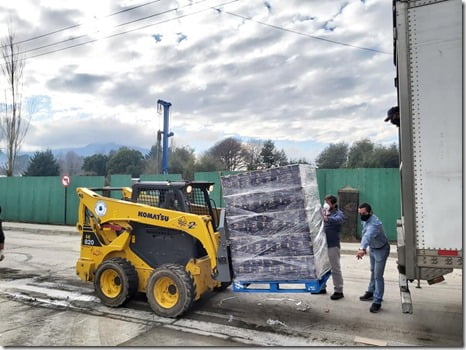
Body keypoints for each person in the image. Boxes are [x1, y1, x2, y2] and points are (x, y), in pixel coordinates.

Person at [356, 203, 390, 313]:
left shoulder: (374, 224)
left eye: (364, 213)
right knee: (372, 271)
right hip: (373, 248)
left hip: (381, 249)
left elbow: (367, 235)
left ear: (370, 212)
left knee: (378, 276)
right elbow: (364, 232)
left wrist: (362, 248)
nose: (362, 216)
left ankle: (377, 301)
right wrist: (366, 248)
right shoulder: (366, 219)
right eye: (360, 214)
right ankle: (371, 292)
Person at [322, 194, 345, 300]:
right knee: (322, 268)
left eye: (328, 203)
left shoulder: (338, 214)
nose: (326, 204)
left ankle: (338, 290)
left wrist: (326, 218)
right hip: (322, 245)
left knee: (335, 268)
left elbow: (338, 220)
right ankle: (321, 287)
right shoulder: (323, 212)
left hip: (332, 245)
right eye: (325, 202)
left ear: (334, 204)